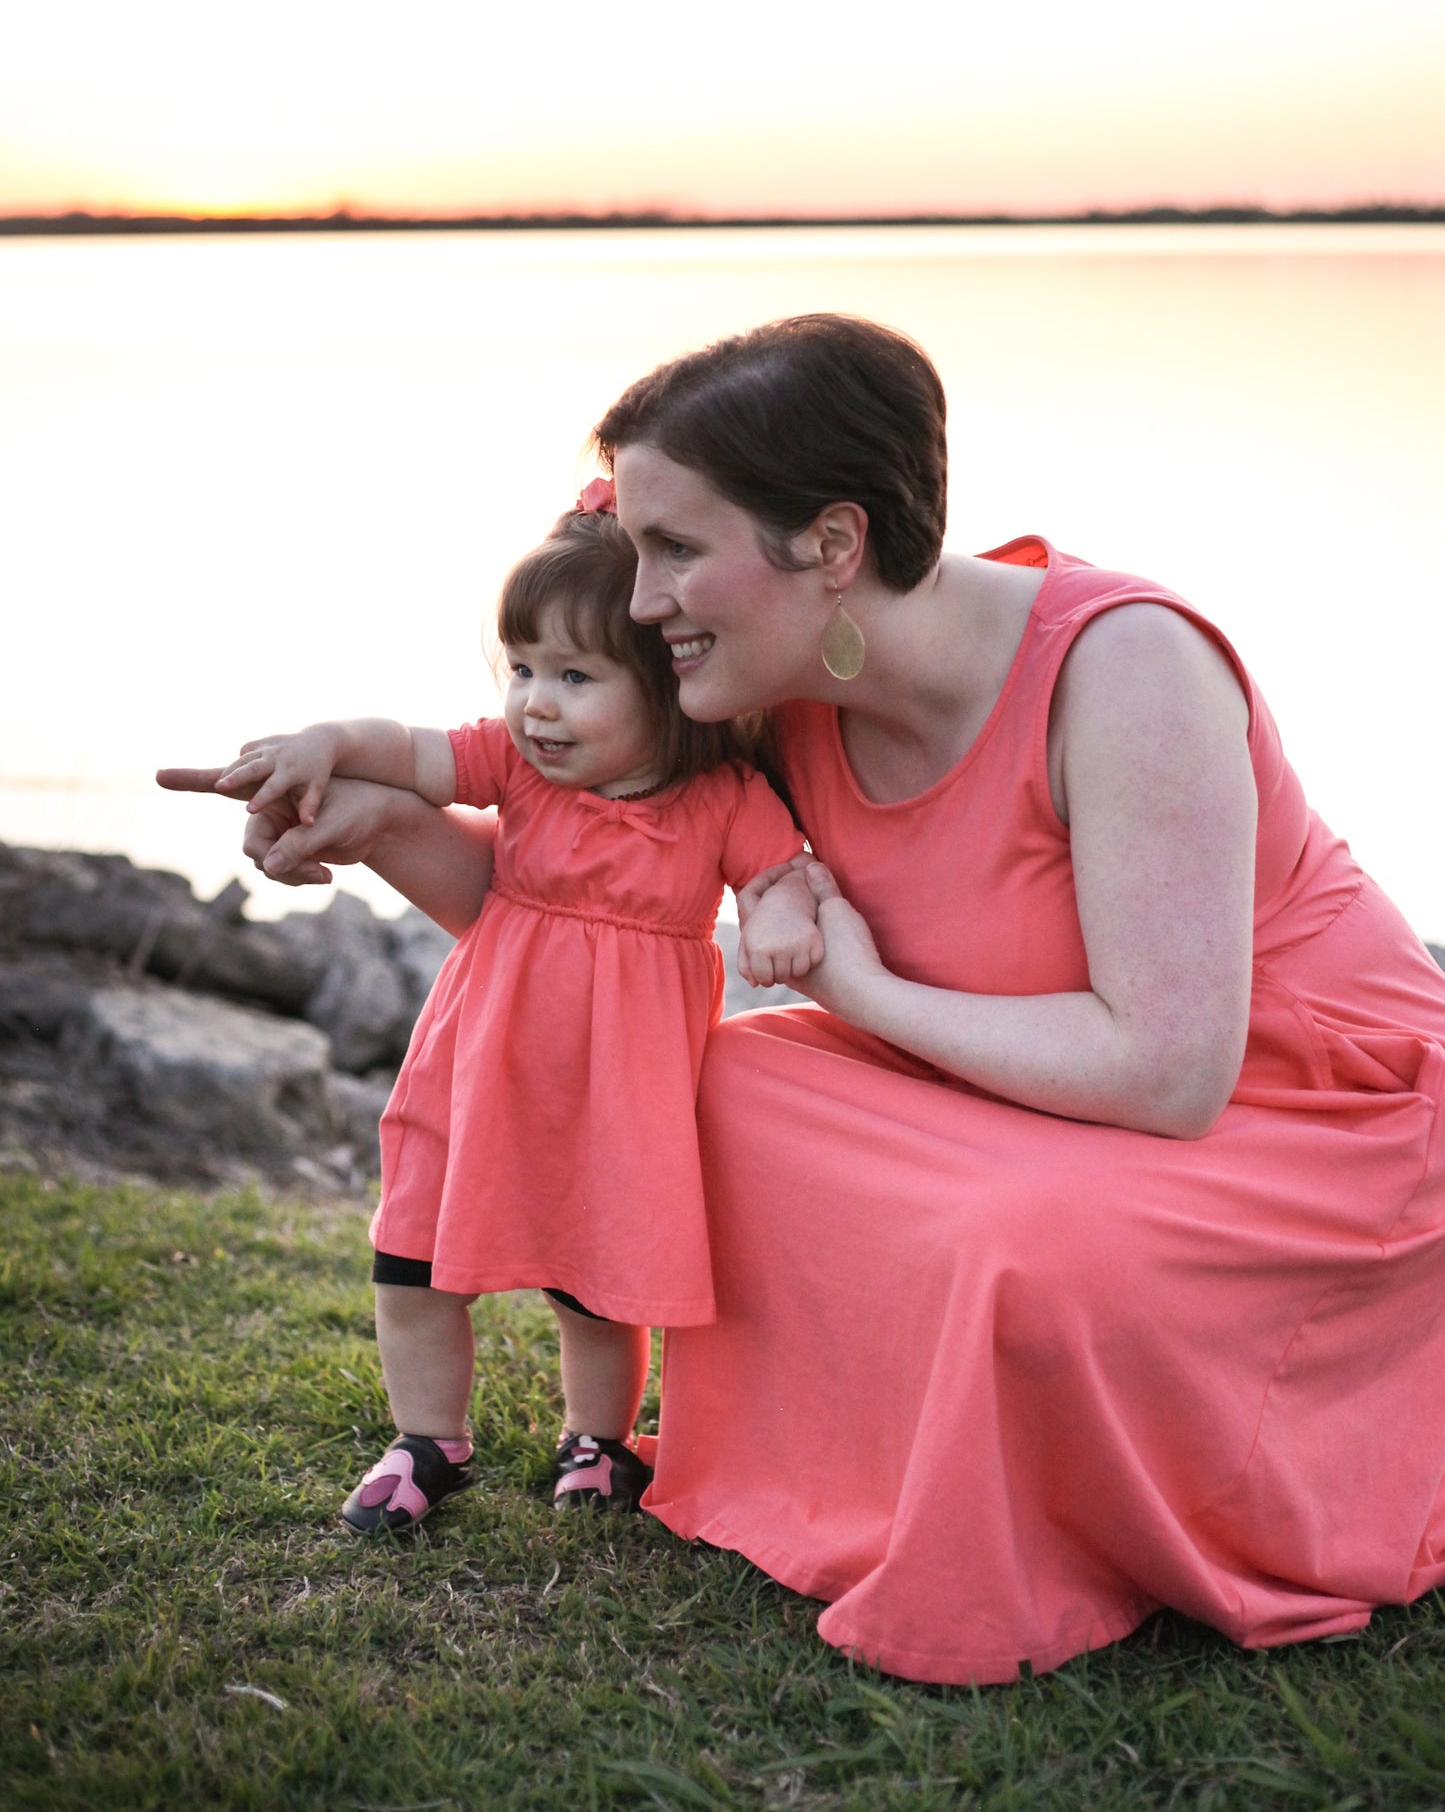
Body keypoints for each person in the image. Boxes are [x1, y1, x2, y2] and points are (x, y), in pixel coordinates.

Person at [170, 314, 1445, 1685]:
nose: (639, 601)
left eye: (674, 549)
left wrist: (861, 989)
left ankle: (1061, 1490)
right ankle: (844, 1465)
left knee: (1025, 1235)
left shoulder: (1127, 668)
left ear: (832, 542)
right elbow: (573, 908)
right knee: (709, 1076)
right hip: (1004, 1080)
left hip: (1306, 1116)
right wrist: (374, 819)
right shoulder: (769, 687)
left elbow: (1171, 1072)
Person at [180, 494, 816, 1531]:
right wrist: (324, 742)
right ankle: (426, 1439)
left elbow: (779, 871)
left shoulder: (721, 798)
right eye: (521, 670)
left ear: (668, 683)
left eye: (574, 677)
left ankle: (597, 1439)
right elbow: (408, 749)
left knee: (596, 1285)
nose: (536, 706)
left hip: (619, 1098)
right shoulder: (518, 767)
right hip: (476, 1069)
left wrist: (779, 912)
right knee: (414, 1259)